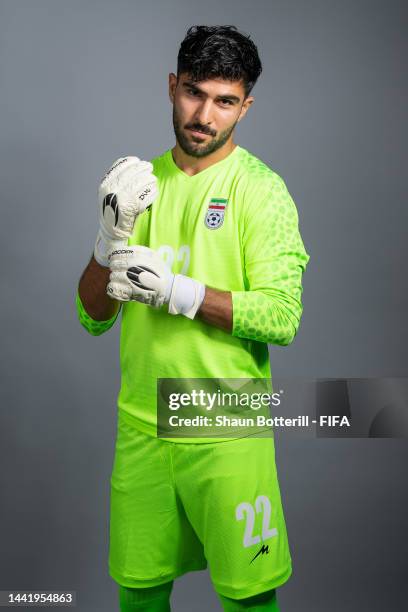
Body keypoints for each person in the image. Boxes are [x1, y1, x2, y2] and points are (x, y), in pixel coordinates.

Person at [77, 25, 310, 612]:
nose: (205, 115)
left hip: (226, 428)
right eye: (194, 93)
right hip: (142, 428)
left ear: (245, 106)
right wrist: (107, 239)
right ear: (172, 86)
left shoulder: (262, 191)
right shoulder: (138, 185)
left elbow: (282, 316)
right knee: (139, 592)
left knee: (248, 597)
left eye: (225, 101)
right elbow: (92, 316)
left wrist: (179, 292)